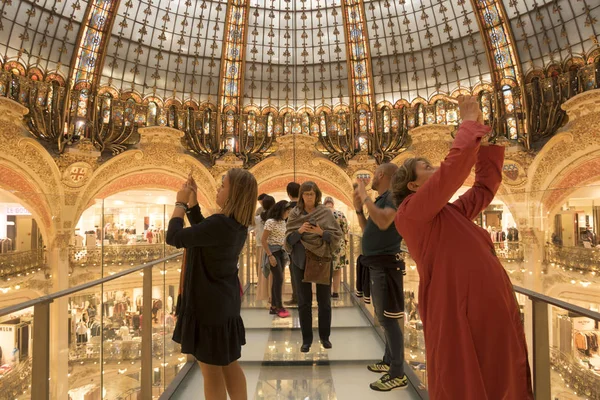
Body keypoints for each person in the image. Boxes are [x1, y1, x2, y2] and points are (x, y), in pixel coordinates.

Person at [391, 95, 533, 400]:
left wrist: (484, 140)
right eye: (426, 167)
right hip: (458, 306)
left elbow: (483, 190)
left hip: (483, 306)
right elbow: (452, 172)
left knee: (496, 372)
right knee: (465, 376)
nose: (435, 168)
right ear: (413, 186)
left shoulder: (447, 213)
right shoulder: (411, 212)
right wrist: (468, 125)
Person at [167, 169, 257, 400]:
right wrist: (194, 205)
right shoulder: (235, 224)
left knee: (210, 371)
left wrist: (180, 203)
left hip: (208, 304)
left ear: (234, 193)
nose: (218, 188)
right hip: (223, 301)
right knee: (228, 363)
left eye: (223, 185)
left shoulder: (220, 223)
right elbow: (204, 234)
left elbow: (174, 236)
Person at [354, 163, 408, 392]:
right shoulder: (383, 198)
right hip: (377, 264)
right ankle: (388, 360)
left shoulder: (393, 196)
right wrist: (359, 209)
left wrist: (365, 195)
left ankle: (397, 372)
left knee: (387, 318)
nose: (372, 180)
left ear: (381, 175)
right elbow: (370, 228)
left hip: (386, 265)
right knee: (383, 314)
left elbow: (385, 220)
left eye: (374, 175)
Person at [284, 181, 342, 352]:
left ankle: (325, 337)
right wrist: (300, 231)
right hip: (299, 261)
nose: (309, 197)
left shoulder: (325, 212)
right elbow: (288, 240)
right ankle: (306, 340)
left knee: (324, 301)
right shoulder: (295, 214)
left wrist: (320, 232)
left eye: (312, 194)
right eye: (306, 194)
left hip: (322, 259)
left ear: (317, 195)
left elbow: (336, 236)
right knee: (304, 302)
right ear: (301, 195)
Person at [262, 200, 294, 318]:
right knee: (279, 279)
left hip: (281, 252)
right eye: (287, 211)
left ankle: (274, 307)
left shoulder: (283, 222)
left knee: (277, 279)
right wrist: (270, 256)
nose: (288, 214)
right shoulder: (270, 222)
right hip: (273, 252)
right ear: (281, 210)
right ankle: (279, 306)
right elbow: (263, 240)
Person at [323, 197, 349, 299]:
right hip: (339, 245)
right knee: (337, 270)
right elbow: (345, 229)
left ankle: (327, 291)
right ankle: (336, 292)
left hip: (325, 244)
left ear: (325, 204)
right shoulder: (340, 214)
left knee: (326, 269)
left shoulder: (322, 214)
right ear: (332, 204)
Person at [255, 195, 276, 302]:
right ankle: (273, 296)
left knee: (264, 272)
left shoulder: (258, 219)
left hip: (263, 247)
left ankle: (266, 295)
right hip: (275, 247)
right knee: (274, 272)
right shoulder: (276, 219)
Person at [285, 182, 301, 306]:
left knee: (294, 271)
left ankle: (296, 297)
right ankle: (304, 297)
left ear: (289, 194)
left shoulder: (286, 208)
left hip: (291, 243)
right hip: (306, 243)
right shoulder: (305, 207)